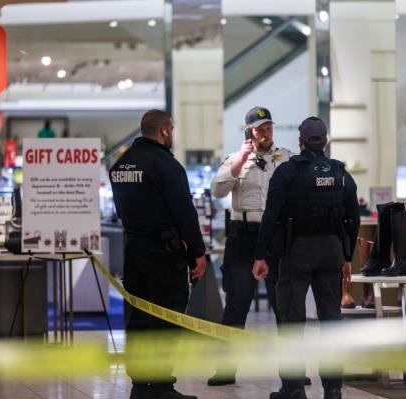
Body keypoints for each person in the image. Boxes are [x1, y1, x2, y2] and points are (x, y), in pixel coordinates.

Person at [253, 116, 360, 399]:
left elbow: (271, 215)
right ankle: (333, 389)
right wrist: (347, 255)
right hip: (331, 252)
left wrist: (261, 255)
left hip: (296, 252)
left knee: (291, 319)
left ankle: (293, 388)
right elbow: (353, 217)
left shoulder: (287, 172)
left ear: (300, 142)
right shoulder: (340, 173)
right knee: (331, 320)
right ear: (325, 141)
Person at [110, 109, 206, 399]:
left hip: (134, 251)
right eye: (172, 129)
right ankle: (162, 387)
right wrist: (197, 253)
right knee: (167, 317)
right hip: (165, 255)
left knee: (138, 320)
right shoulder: (167, 165)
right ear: (164, 130)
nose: (172, 134)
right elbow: (184, 213)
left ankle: (140, 386)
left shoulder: (121, 164)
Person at [208, 106, 294, 386]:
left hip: (276, 238)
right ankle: (226, 369)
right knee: (236, 303)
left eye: (268, 127)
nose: (265, 133)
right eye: (259, 129)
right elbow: (218, 191)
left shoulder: (287, 159)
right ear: (249, 131)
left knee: (285, 304)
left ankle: (292, 373)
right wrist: (241, 159)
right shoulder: (235, 159)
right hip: (243, 237)